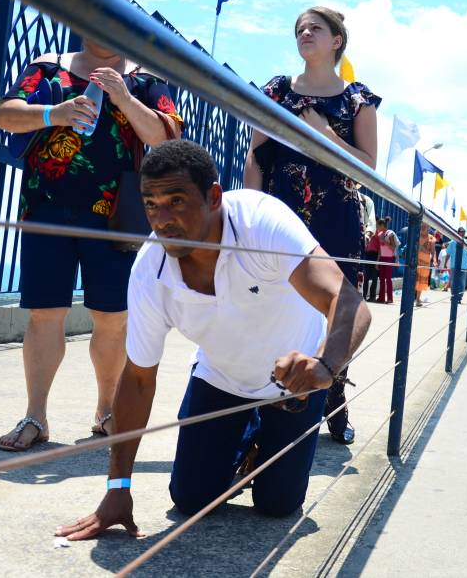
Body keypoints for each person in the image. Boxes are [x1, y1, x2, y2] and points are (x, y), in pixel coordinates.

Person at [55, 141, 371, 539]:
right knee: (190, 500)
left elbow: (349, 302)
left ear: (214, 197)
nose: (162, 218)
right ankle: (244, 433)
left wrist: (324, 367)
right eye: (151, 204)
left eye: (176, 200)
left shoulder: (261, 223)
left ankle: (263, 435)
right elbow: (137, 380)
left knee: (277, 505)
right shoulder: (150, 272)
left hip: (296, 384)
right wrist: (118, 487)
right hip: (222, 378)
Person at [0, 0, 183, 451]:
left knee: (113, 316)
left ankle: (106, 411)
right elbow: (3, 114)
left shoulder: (145, 79)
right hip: (47, 206)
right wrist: (52, 112)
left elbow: (165, 136)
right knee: (44, 313)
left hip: (118, 215)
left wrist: (123, 98)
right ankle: (35, 415)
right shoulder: (48, 68)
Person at [244, 6, 380, 445]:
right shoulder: (278, 90)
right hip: (281, 218)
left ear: (336, 40)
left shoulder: (357, 100)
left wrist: (327, 134)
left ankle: (333, 402)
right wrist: (253, 214)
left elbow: (366, 169)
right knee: (274, 305)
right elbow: (255, 156)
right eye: (299, 27)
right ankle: (267, 399)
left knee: (335, 312)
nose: (305, 32)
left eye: (315, 28)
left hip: (336, 222)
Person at [447, 227, 467, 305]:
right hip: (454, 265)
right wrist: (445, 263)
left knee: (462, 283)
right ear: (458, 232)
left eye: (464, 232)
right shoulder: (452, 242)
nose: (462, 233)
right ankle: (453, 296)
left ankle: (459, 297)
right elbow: (448, 253)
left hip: (464, 265)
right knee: (453, 282)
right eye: (461, 231)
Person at [376, 217, 398, 304]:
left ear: (382, 225)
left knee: (388, 279)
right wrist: (377, 261)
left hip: (389, 258)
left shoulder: (390, 234)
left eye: (378, 225)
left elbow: (393, 248)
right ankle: (381, 298)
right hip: (382, 258)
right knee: (381, 278)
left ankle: (390, 298)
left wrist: (385, 242)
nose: (377, 227)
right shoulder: (380, 234)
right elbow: (380, 249)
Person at [415, 223, 436, 307]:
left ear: (428, 227)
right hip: (415, 261)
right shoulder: (416, 235)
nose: (423, 228)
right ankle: (414, 298)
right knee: (414, 279)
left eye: (425, 226)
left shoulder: (431, 238)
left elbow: (433, 251)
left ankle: (417, 298)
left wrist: (434, 260)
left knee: (421, 281)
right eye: (422, 226)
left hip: (425, 263)